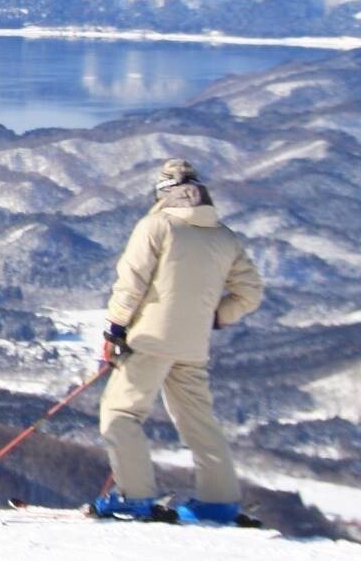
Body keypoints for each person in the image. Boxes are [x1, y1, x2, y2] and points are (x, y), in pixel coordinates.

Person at [94, 159, 263, 526]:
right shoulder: (223, 236)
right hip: (193, 343)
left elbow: (132, 282)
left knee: (121, 413)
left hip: (150, 337)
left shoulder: (156, 226)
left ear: (162, 194)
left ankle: (134, 496)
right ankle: (219, 501)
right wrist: (217, 315)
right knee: (198, 420)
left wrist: (115, 328)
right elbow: (251, 292)